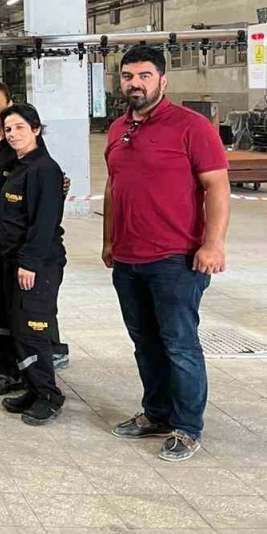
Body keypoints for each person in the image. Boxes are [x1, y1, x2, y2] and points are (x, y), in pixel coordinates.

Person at [104, 45, 229, 462]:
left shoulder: (191, 126)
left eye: (144, 76)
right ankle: (156, 413)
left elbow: (217, 186)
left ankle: (187, 427)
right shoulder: (117, 128)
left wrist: (212, 244)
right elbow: (113, 186)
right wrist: (109, 240)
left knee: (179, 344)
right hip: (128, 259)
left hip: (176, 259)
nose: (135, 83)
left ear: (162, 80)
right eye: (128, 76)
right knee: (144, 341)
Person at [0, 82, 71, 397]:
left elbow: (45, 206)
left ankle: (37, 377)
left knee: (25, 311)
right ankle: (9, 369)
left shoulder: (27, 153)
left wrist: (59, 187)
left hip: (20, 245)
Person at [0, 103, 67, 426]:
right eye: (8, 129)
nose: (13, 134)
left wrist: (30, 263)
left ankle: (49, 396)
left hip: (37, 265)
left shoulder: (45, 169)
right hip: (15, 260)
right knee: (20, 329)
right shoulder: (18, 166)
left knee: (34, 330)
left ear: (36, 129)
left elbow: (44, 223)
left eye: (20, 128)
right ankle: (33, 388)